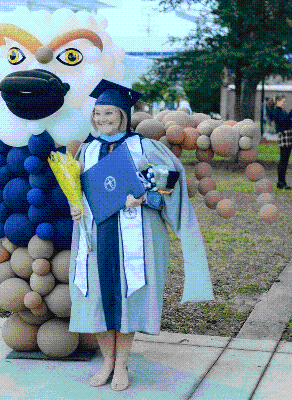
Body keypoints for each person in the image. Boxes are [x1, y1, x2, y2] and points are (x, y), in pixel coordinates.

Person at [68, 79, 214, 391]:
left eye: (109, 113)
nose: (102, 119)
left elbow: (171, 192)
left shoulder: (146, 148)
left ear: (122, 114)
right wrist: (75, 207)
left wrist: (145, 198)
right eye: (97, 113)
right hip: (94, 237)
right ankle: (106, 360)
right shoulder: (86, 149)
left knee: (129, 298)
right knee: (96, 298)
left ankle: (121, 364)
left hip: (136, 237)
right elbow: (77, 191)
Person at [267, 95, 292, 189]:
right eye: (282, 101)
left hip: (288, 136)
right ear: (277, 102)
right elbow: (284, 122)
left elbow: (288, 122)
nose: (284, 103)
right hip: (284, 137)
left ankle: (282, 182)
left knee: (285, 161)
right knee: (283, 161)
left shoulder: (282, 111)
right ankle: (281, 182)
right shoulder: (277, 111)